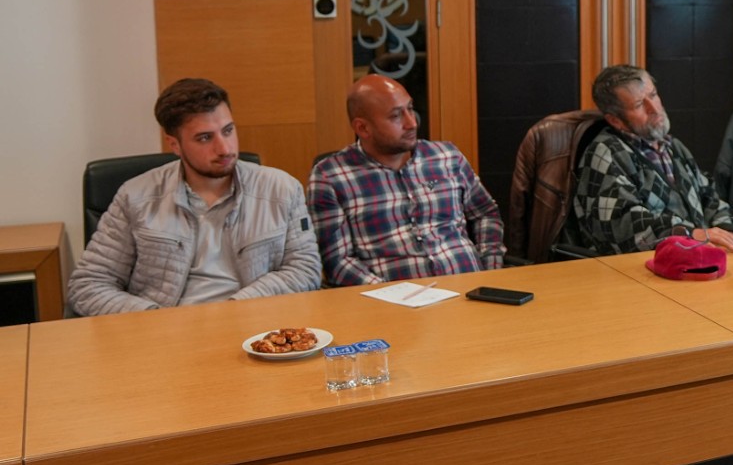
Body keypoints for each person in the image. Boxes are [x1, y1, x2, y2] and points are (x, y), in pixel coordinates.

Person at [68, 78, 321, 315]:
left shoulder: (282, 189)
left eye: (228, 130)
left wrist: (235, 309)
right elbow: (89, 284)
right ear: (175, 145)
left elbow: (305, 270)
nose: (224, 148)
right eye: (205, 138)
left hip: (253, 324)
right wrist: (156, 318)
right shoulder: (135, 197)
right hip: (166, 332)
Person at [309, 75, 505, 285]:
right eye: (396, 116)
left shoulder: (447, 156)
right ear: (363, 128)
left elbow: (485, 213)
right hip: (393, 297)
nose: (411, 123)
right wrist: (388, 293)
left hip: (470, 288)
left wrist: (490, 270)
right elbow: (337, 261)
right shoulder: (330, 177)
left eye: (410, 109)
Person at [567, 65, 733, 255]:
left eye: (653, 95)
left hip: (698, 258)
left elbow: (709, 197)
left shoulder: (672, 146)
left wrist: (728, 233)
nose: (654, 108)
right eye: (639, 105)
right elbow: (623, 225)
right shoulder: (606, 152)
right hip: (638, 266)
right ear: (615, 120)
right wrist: (688, 234)